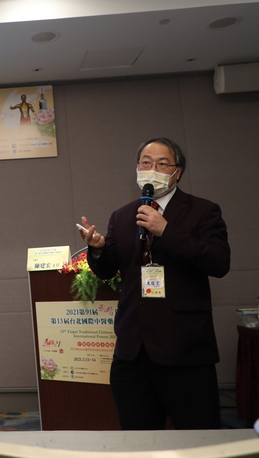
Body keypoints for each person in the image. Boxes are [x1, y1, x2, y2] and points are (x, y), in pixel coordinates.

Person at [78, 137, 230, 430]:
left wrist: (166, 231)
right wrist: (97, 250)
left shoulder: (203, 210)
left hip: (184, 348)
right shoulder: (122, 215)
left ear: (178, 172)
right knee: (138, 438)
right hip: (132, 350)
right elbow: (109, 271)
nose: (152, 169)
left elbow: (219, 262)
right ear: (137, 168)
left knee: (197, 436)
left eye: (162, 164)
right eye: (146, 163)